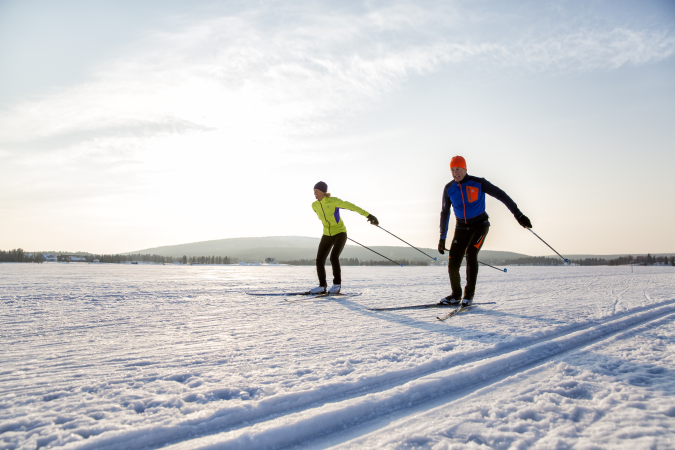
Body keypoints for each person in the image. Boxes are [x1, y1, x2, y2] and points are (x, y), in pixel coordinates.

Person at [438, 156, 531, 306]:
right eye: (453, 170)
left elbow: (501, 195)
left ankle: (469, 295)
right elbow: (445, 212)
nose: (455, 173)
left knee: (471, 252)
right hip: (461, 228)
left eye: (458, 169)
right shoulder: (449, 189)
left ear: (465, 169)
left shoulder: (478, 183)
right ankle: (456, 295)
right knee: (453, 263)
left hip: (480, 225)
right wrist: (442, 238)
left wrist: (518, 215)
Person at [310, 181, 379, 294]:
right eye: (314, 191)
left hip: (340, 233)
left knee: (333, 257)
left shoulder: (334, 201)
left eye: (317, 191)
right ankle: (322, 286)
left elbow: (351, 206)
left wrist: (369, 215)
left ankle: (337, 285)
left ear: (323, 191)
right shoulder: (314, 205)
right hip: (327, 234)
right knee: (319, 260)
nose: (315, 193)